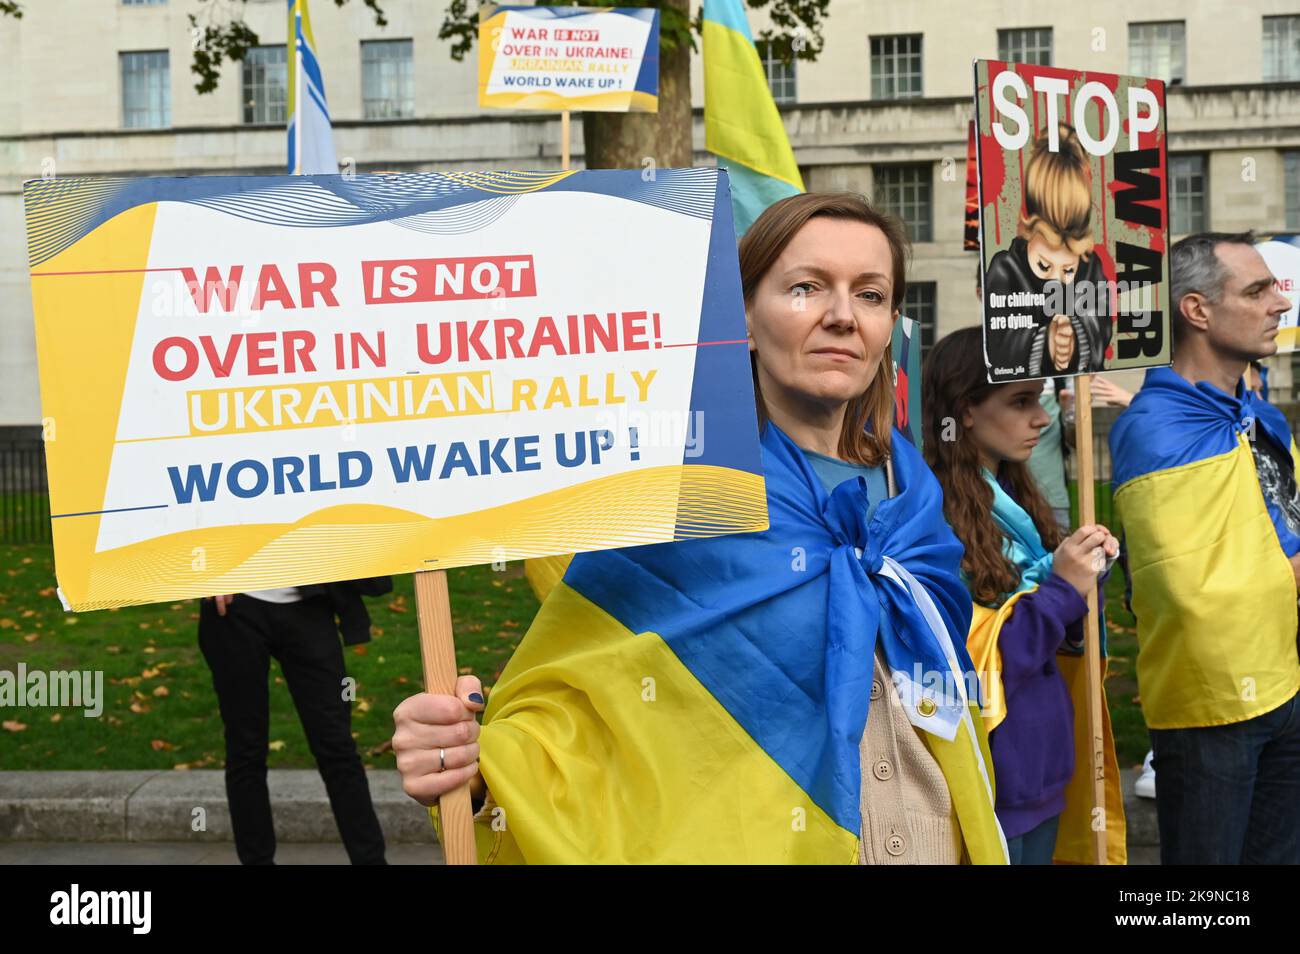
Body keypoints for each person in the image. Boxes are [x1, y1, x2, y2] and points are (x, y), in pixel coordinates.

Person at [392, 193, 1008, 864]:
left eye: (869, 294)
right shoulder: (682, 495)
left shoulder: (910, 492)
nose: (840, 315)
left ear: (891, 322)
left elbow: (949, 697)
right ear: (742, 317)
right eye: (805, 288)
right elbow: (592, 713)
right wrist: (475, 772)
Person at [1109, 231, 1300, 864]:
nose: (1279, 303)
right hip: (1212, 704)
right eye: (1256, 290)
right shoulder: (1155, 428)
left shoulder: (1260, 413)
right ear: (1197, 311)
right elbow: (1182, 588)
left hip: (1285, 679)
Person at [922, 327, 1124, 864]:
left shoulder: (1014, 499)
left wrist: (1086, 579)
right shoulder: (935, 519)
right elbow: (981, 661)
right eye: (1020, 401)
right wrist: (1061, 588)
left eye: (1038, 399)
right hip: (996, 775)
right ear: (965, 410)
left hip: (1042, 765)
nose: (1040, 417)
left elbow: (1059, 636)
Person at [200, 578, 392, 865]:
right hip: (234, 608)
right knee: (245, 748)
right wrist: (209, 574)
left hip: (308, 603)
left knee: (337, 746)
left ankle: (371, 861)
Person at [983, 125, 1110, 380]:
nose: (1056, 282)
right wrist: (1045, 342)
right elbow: (999, 348)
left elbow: (1102, 325)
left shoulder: (1091, 268)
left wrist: (1074, 335)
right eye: (1043, 266)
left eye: (1068, 270)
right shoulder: (1005, 269)